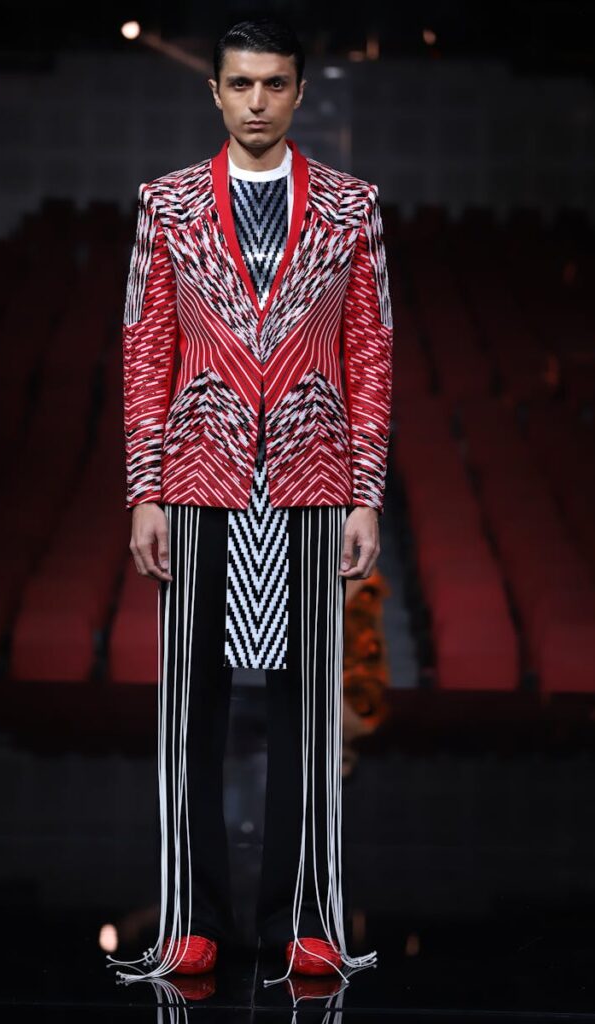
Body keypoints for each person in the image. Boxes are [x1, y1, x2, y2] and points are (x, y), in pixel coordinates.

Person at [107, 15, 393, 987]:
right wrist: (143, 487)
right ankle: (192, 922)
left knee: (308, 711)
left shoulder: (352, 207)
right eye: (241, 83)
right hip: (196, 478)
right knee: (189, 709)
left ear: (300, 91)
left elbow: (370, 353)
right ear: (216, 91)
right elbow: (146, 350)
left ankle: (304, 920)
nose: (258, 99)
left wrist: (365, 493)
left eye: (275, 83)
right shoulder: (167, 202)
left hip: (313, 480)